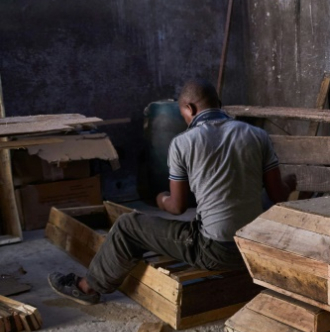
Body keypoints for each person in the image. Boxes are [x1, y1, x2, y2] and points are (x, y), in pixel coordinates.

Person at [49, 80, 296, 305]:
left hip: (217, 251)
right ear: (219, 105)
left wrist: (161, 199)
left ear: (190, 108)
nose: (186, 120)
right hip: (254, 249)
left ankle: (86, 287)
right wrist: (290, 182)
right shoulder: (257, 135)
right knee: (247, 203)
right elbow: (278, 196)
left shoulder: (183, 142)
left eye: (184, 115)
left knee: (128, 225)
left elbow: (177, 207)